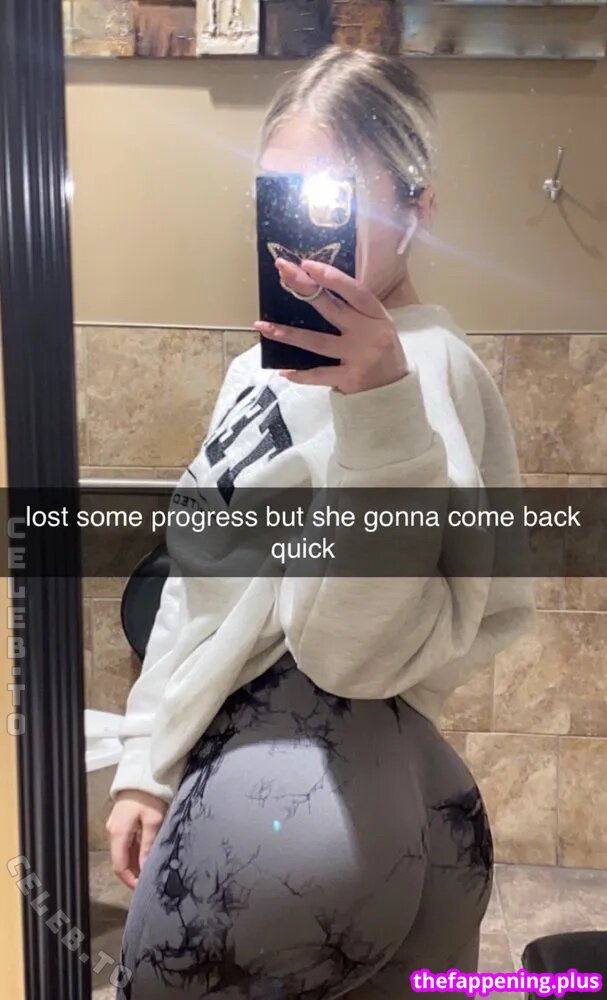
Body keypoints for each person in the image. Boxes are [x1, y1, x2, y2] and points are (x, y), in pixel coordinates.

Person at [107, 46, 534, 999]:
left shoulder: (427, 372)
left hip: (290, 787)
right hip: (377, 798)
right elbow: (199, 584)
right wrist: (145, 762)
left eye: (333, 200)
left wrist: (379, 408)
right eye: (278, 200)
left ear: (418, 208)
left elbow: (354, 657)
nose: (298, 240)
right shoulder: (254, 369)